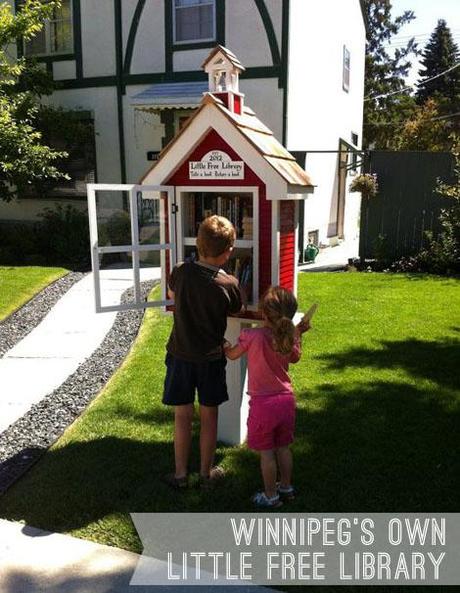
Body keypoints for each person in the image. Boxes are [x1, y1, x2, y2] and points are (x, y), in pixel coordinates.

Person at [163, 215, 243, 489]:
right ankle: (207, 474)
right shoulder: (230, 284)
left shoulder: (181, 271)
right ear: (228, 252)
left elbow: (173, 295)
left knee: (182, 415)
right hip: (210, 360)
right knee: (210, 417)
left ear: (198, 244)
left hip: (180, 356)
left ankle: (180, 474)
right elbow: (236, 310)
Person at [224, 286, 310, 507]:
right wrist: (298, 334)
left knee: (267, 454)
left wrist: (224, 346)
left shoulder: (252, 336)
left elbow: (233, 356)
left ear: (263, 312)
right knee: (283, 447)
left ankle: (270, 497)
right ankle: (286, 487)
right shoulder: (288, 338)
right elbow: (295, 359)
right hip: (286, 402)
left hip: (263, 405)